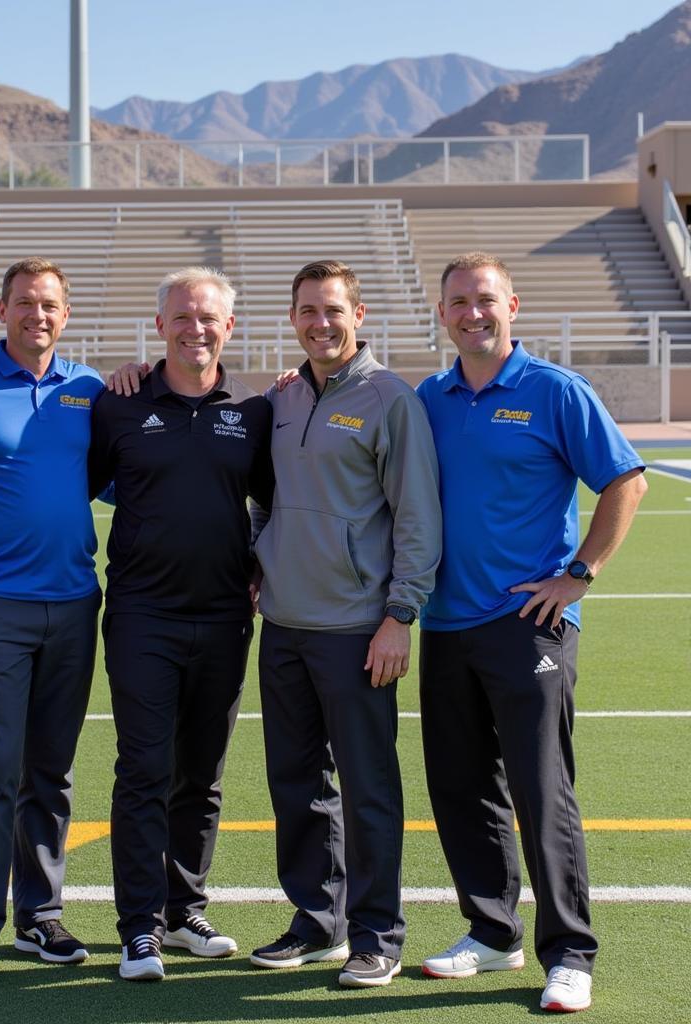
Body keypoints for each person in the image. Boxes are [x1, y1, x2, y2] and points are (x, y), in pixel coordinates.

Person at [416, 252, 647, 1014]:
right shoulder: (429, 396)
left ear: (512, 305)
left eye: (485, 300)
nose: (472, 313)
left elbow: (624, 479)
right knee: (460, 787)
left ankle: (570, 952)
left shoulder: (554, 391)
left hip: (530, 624)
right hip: (446, 624)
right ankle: (491, 932)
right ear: (442, 312)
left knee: (541, 790)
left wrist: (578, 574)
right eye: (459, 302)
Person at [249, 259, 441, 988]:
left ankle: (377, 935)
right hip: (285, 625)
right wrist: (259, 562)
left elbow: (418, 516)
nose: (320, 323)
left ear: (358, 315)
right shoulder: (286, 398)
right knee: (295, 783)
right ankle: (315, 921)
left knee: (367, 788)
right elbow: (267, 497)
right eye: (307, 310)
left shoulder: (391, 398)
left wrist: (399, 616)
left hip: (358, 629)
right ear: (293, 318)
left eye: (333, 310)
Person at [88, 267, 274, 981]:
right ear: (160, 324)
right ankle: (139, 927)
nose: (196, 329)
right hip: (142, 616)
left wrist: (260, 563)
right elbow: (74, 483)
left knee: (203, 773)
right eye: (183, 317)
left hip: (227, 616)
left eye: (210, 319)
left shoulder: (255, 412)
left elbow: (276, 499)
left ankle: (183, 907)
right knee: (143, 770)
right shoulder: (119, 405)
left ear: (229, 328)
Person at [0, 257, 105, 981]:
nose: (39, 314)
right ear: (2, 309)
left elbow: (122, 475)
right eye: (27, 303)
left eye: (52, 305)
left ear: (66, 314)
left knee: (51, 769)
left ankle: (39, 916)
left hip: (73, 601)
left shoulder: (91, 390)